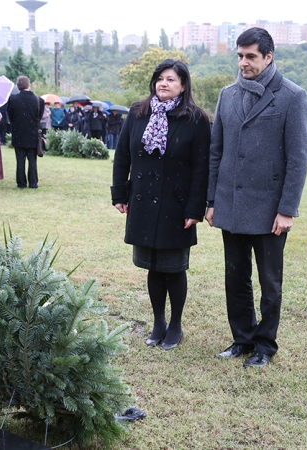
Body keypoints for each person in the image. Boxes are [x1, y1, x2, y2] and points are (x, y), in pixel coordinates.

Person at [205, 27, 307, 367]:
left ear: (268, 57)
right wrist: (211, 201)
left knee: (269, 283)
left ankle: (265, 346)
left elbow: (298, 158)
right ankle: (242, 339)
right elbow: (216, 151)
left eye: (250, 56)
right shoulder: (227, 95)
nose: (243, 62)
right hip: (231, 204)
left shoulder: (292, 96)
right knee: (235, 277)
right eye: (239, 56)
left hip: (269, 210)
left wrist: (287, 209)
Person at [111, 59, 211, 351]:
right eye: (160, 78)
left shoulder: (196, 119)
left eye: (171, 79)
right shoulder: (138, 112)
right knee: (152, 267)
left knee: (174, 267)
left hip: (176, 206)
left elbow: (201, 168)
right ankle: (158, 322)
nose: (164, 83)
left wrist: (195, 208)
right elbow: (122, 156)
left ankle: (176, 324)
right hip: (142, 200)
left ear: (183, 85)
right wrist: (119, 193)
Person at [6, 76, 44, 189]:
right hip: (33, 133)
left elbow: (11, 116)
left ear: (18, 86)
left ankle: (21, 183)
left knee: (20, 160)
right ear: (29, 85)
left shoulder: (13, 99)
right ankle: (33, 183)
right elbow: (39, 117)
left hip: (18, 133)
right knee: (32, 160)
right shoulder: (39, 100)